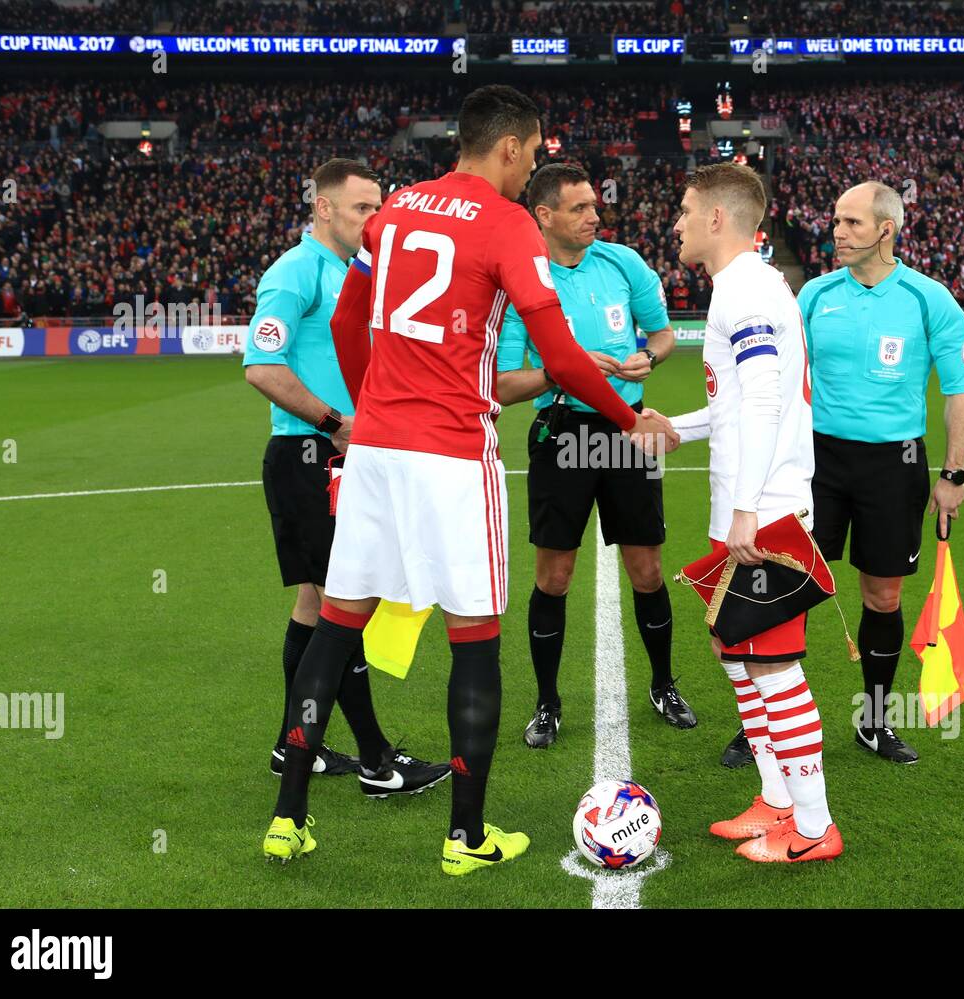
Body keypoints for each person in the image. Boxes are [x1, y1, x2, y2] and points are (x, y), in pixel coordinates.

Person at [262, 86, 677, 873]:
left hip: (377, 450)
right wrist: (631, 422)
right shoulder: (507, 223)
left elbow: (352, 326)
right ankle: (467, 836)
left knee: (336, 623)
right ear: (513, 147)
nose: (530, 172)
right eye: (533, 152)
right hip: (454, 452)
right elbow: (557, 359)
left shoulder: (395, 211)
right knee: (474, 640)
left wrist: (372, 407)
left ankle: (288, 817)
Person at [244, 158, 450, 796]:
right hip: (308, 457)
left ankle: (290, 743)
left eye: (380, 206)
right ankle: (376, 760)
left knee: (317, 603)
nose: (376, 218)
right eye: (363, 207)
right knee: (344, 605)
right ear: (324, 208)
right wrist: (337, 421)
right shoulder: (295, 271)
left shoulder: (363, 270)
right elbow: (262, 367)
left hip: (343, 457)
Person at [666, 163, 842, 864]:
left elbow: (769, 399)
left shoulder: (746, 289)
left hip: (762, 512)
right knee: (733, 649)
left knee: (774, 666)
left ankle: (813, 824)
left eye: (684, 211)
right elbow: (739, 403)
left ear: (716, 217)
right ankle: (774, 797)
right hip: (743, 506)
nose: (676, 223)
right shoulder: (746, 287)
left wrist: (746, 511)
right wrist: (675, 425)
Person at [496, 162, 695, 748]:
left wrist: (649, 359)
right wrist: (568, 371)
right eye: (580, 208)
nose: (594, 215)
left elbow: (662, 335)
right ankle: (548, 703)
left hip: (628, 432)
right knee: (554, 576)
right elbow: (506, 385)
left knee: (648, 569)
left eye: (593, 206)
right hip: (562, 433)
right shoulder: (522, 279)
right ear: (545, 215)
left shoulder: (623, 263)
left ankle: (663, 683)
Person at [799, 180, 964, 764]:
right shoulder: (813, 295)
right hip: (817, 460)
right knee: (791, 587)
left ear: (886, 230)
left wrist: (954, 475)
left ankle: (873, 723)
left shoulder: (929, 299)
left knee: (882, 595)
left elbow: (960, 390)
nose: (837, 232)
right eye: (835, 221)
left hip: (895, 464)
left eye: (851, 222)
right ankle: (764, 725)